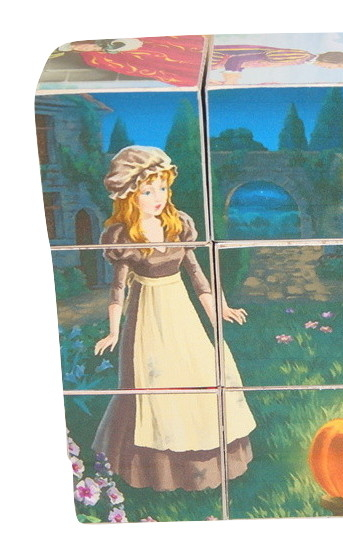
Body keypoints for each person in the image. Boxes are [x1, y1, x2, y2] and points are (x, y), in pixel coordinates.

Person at [92, 146, 256, 491]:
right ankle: (155, 468)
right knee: (155, 382)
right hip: (147, 313)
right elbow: (118, 288)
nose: (158, 198)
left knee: (198, 373)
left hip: (180, 311)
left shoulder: (178, 225)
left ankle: (204, 462)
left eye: (163, 188)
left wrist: (220, 311)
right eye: (147, 191)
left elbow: (197, 276)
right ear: (129, 196)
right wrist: (113, 332)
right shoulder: (124, 235)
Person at [53, 36, 206, 87]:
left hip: (150, 47)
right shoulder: (92, 58)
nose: (82, 47)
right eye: (75, 48)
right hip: (144, 57)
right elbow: (127, 67)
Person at [210, 44, 343, 85]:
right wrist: (230, 81)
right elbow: (235, 60)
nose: (333, 69)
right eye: (338, 66)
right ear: (335, 59)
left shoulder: (302, 61)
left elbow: (247, 62)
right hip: (215, 58)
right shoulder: (300, 56)